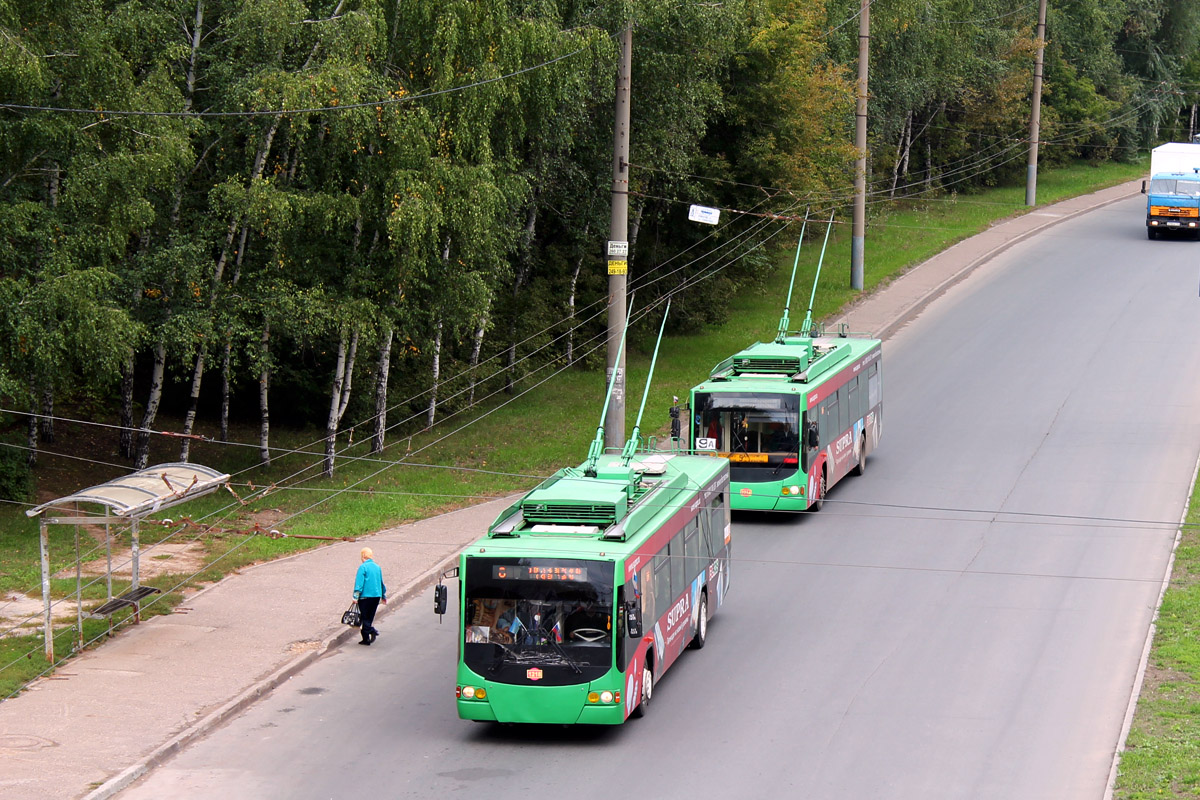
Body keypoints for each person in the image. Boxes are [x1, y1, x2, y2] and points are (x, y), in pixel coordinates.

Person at [353, 547, 387, 645]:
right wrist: (383, 595)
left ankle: (372, 631)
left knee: (364, 617)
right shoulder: (377, 567)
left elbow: (359, 583)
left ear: (363, 556)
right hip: (376, 596)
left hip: (365, 597)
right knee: (369, 617)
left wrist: (355, 596)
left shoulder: (363, 567)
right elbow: (381, 582)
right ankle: (366, 639)